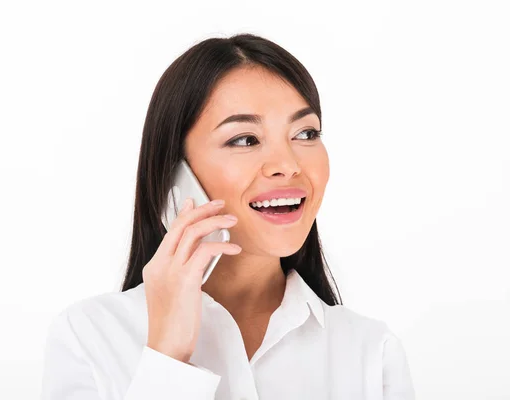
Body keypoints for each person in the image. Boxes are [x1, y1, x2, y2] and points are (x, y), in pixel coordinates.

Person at [40, 33, 415, 400]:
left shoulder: (371, 352)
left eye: (305, 133)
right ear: (176, 175)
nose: (287, 165)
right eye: (245, 139)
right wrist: (167, 357)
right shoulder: (90, 337)